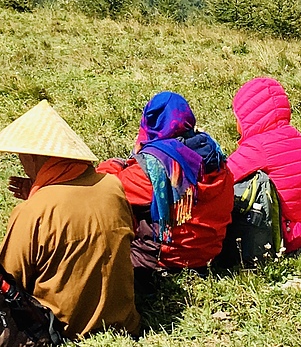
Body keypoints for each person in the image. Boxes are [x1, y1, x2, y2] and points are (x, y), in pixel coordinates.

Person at [0, 100, 140, 339]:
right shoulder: (112, 186)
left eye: (21, 157)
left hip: (62, 331)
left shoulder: (34, 210)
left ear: (34, 157)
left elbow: (9, 281)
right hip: (125, 324)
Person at [98, 91, 234, 275]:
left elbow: (107, 187)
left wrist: (114, 164)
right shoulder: (216, 156)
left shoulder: (155, 166)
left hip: (163, 261)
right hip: (207, 256)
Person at [228, 77, 301, 253]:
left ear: (249, 117)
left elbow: (226, 174)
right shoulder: (297, 137)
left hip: (286, 232)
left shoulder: (258, 146)